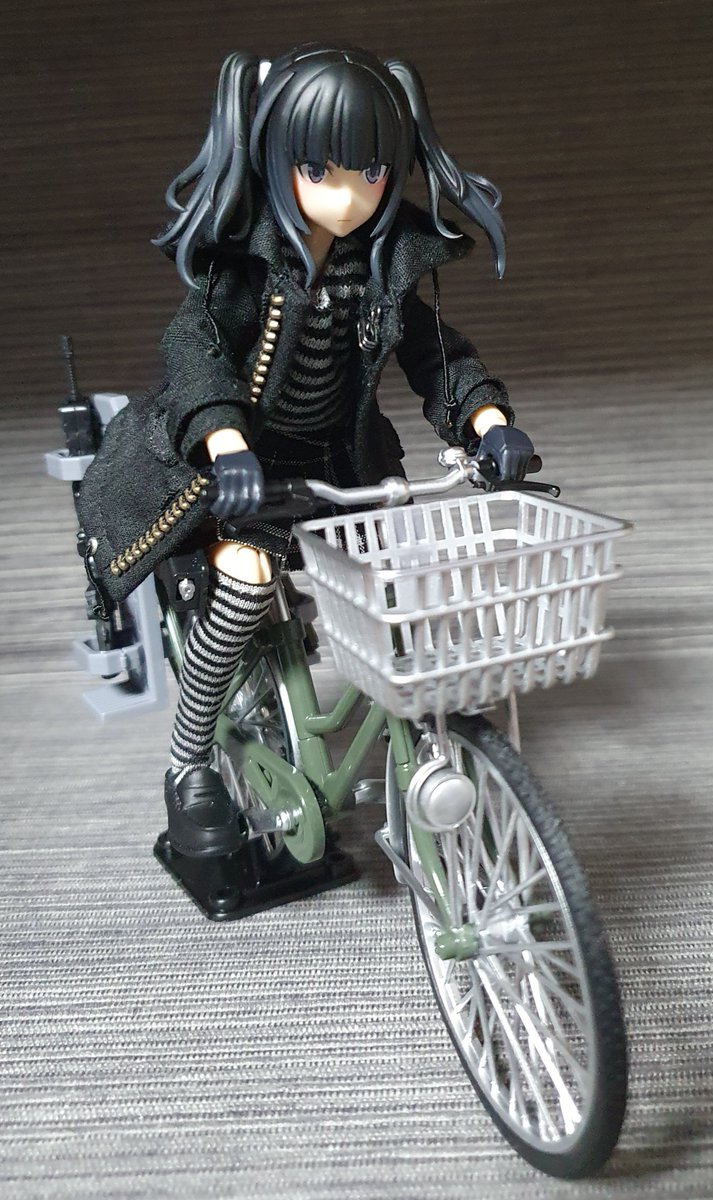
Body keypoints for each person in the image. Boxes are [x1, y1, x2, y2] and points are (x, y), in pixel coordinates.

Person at [77, 43, 536, 859]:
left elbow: (436, 353)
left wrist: (488, 421)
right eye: (320, 171)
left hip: (342, 466)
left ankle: (420, 732)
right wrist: (226, 444)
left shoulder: (386, 263)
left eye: (371, 172)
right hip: (242, 470)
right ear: (276, 161)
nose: (348, 196)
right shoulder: (245, 261)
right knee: (246, 580)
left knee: (403, 577)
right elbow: (194, 350)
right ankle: (188, 763)